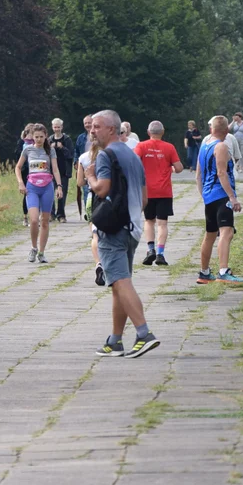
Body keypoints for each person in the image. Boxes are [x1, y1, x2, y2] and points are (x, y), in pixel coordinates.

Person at [86, 109, 159, 358]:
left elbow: (103, 189)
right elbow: (145, 197)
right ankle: (115, 341)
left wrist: (91, 177)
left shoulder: (107, 155)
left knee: (120, 281)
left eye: (96, 126)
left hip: (114, 229)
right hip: (133, 228)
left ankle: (144, 333)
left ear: (110, 129)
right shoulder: (132, 154)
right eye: (91, 127)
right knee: (118, 283)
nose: (92, 131)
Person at [195, 116, 243, 284]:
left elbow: (198, 175)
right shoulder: (222, 146)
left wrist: (203, 195)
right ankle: (224, 271)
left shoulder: (204, 145)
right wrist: (232, 197)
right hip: (221, 194)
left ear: (212, 129)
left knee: (210, 234)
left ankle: (204, 273)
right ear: (226, 131)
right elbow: (221, 172)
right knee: (227, 232)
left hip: (208, 195)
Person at [134, 121, 183, 267]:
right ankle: (161, 253)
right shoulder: (169, 147)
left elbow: (134, 162)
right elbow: (179, 168)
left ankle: (150, 250)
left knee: (149, 221)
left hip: (146, 191)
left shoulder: (141, 146)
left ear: (148, 132)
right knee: (162, 223)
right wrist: (171, 168)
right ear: (162, 132)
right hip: (164, 191)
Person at [15, 124, 64, 264]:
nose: (39, 139)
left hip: (47, 187)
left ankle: (42, 252)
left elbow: (55, 170)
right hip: (32, 187)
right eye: (36, 137)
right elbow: (18, 168)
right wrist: (20, 183)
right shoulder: (28, 150)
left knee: (45, 220)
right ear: (32, 136)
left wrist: (59, 186)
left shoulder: (50, 151)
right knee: (34, 220)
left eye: (41, 137)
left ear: (45, 136)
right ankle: (33, 247)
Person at [77, 137, 105, 286]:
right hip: (107, 197)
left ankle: (98, 263)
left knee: (95, 234)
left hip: (91, 197)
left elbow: (79, 182)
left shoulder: (83, 158)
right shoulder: (108, 156)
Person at [48, 118, 75, 223]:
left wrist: (62, 147)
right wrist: (51, 148)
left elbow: (70, 155)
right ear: (52, 127)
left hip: (63, 170)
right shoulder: (49, 139)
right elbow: (45, 153)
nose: (57, 129)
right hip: (51, 170)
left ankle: (61, 215)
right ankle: (51, 213)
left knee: (62, 193)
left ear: (62, 127)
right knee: (50, 192)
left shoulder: (67, 139)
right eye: (55, 127)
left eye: (58, 127)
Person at [74, 114, 94, 219]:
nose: (87, 125)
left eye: (89, 122)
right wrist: (76, 163)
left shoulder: (99, 135)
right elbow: (76, 151)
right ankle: (89, 211)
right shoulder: (81, 138)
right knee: (86, 190)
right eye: (85, 123)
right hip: (84, 165)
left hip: (97, 164)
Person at [16, 123, 34, 227]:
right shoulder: (22, 143)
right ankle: (25, 216)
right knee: (27, 193)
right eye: (30, 133)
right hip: (25, 170)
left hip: (35, 171)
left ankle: (35, 216)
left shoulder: (38, 142)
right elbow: (18, 155)